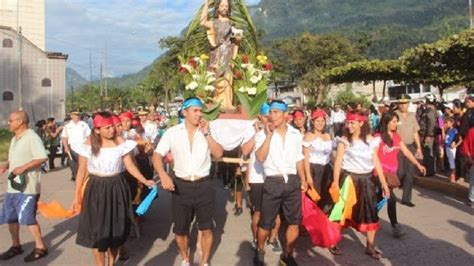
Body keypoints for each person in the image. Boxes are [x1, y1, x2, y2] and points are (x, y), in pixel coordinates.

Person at [70, 112, 154, 266]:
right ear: (97, 130)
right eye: (107, 128)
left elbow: (129, 166)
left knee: (116, 230)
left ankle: (111, 263)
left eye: (112, 127)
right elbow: (81, 172)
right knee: (97, 231)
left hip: (117, 187)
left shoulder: (120, 142)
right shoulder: (88, 145)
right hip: (96, 188)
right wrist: (77, 196)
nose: (111, 130)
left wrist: (144, 180)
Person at [152, 97, 224, 266]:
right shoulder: (172, 132)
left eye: (200, 111)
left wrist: (207, 133)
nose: (199, 114)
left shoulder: (207, 131)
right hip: (180, 186)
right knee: (180, 229)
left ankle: (205, 262)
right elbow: (157, 155)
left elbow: (219, 153)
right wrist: (162, 174)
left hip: (204, 185)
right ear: (185, 112)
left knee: (206, 228)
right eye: (195, 111)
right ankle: (185, 259)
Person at [253, 100, 307, 266]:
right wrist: (269, 135)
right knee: (266, 223)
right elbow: (260, 157)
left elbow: (299, 158)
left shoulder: (295, 134)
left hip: (291, 181)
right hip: (272, 181)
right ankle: (260, 249)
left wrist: (303, 179)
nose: (272, 115)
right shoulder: (262, 134)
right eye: (271, 112)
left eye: (276, 112)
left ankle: (288, 254)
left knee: (294, 221)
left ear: (286, 115)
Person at [332, 110, 390, 260]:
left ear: (361, 123)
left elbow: (376, 161)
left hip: (367, 180)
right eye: (348, 122)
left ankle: (370, 247)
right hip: (348, 180)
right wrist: (335, 183)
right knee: (342, 211)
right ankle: (333, 241)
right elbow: (338, 162)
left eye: (352, 122)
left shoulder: (372, 141)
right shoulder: (344, 140)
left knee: (370, 212)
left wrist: (384, 184)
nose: (349, 125)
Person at [0, 110, 49, 262]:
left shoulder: (32, 137)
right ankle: (16, 246)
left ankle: (41, 247)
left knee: (28, 218)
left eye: (11, 120)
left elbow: (42, 157)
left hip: (27, 188)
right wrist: (6, 164)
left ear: (20, 121)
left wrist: (23, 168)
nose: (9, 123)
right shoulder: (15, 138)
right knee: (11, 218)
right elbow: (17, 158)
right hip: (12, 187)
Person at [375, 112, 426, 238]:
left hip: (392, 174)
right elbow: (373, 156)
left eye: (396, 121)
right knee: (391, 199)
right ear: (385, 122)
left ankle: (370, 216)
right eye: (392, 121)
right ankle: (395, 226)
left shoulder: (396, 136)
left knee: (380, 197)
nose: (395, 123)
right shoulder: (378, 137)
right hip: (379, 173)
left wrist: (418, 165)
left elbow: (407, 152)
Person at [241, 103, 282, 254]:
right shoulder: (253, 132)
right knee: (258, 212)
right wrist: (257, 133)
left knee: (276, 213)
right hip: (258, 179)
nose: (269, 118)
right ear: (260, 117)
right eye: (266, 116)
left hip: (274, 178)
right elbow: (245, 152)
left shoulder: (279, 131)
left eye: (272, 115)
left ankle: (273, 239)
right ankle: (256, 239)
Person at [200, 0, 241, 111]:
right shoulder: (214, 22)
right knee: (217, 78)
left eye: (226, 6)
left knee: (228, 78)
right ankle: (217, 101)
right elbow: (203, 22)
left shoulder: (232, 23)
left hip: (228, 53)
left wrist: (238, 39)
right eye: (222, 5)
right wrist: (206, 4)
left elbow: (235, 39)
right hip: (217, 53)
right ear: (217, 7)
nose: (224, 8)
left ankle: (228, 103)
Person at [303, 109, 333, 212]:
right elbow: (305, 158)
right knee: (314, 196)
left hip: (326, 169)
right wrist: (308, 176)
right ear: (312, 122)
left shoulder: (328, 136)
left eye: (322, 121)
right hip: (313, 169)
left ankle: (322, 220)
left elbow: (331, 155)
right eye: (317, 121)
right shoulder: (308, 136)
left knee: (325, 196)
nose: (320, 123)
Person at [395, 94, 423, 207]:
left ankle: (406, 199)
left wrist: (419, 147)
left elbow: (415, 132)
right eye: (401, 103)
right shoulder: (394, 115)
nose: (403, 105)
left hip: (410, 146)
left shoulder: (412, 116)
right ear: (398, 104)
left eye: (405, 103)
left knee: (409, 174)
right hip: (398, 147)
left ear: (408, 104)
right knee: (400, 172)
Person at [61, 111, 91, 181]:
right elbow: (64, 137)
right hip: (72, 147)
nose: (77, 116)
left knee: (83, 163)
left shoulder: (84, 124)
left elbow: (89, 135)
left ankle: (83, 176)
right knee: (73, 163)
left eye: (78, 115)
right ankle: (75, 175)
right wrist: (65, 147)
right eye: (75, 115)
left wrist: (88, 144)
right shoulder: (67, 126)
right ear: (71, 116)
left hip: (83, 147)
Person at [419, 94, 438, 177]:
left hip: (428, 135)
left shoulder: (430, 111)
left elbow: (431, 124)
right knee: (426, 153)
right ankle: (427, 170)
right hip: (425, 134)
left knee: (428, 153)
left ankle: (429, 171)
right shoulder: (428, 110)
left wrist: (428, 135)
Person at [445, 117, 459, 182]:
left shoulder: (454, 130)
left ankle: (453, 177)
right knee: (450, 161)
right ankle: (450, 176)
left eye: (447, 122)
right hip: (447, 147)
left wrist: (455, 145)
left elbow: (460, 139)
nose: (446, 124)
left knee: (452, 162)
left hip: (451, 148)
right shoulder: (448, 130)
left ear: (451, 123)